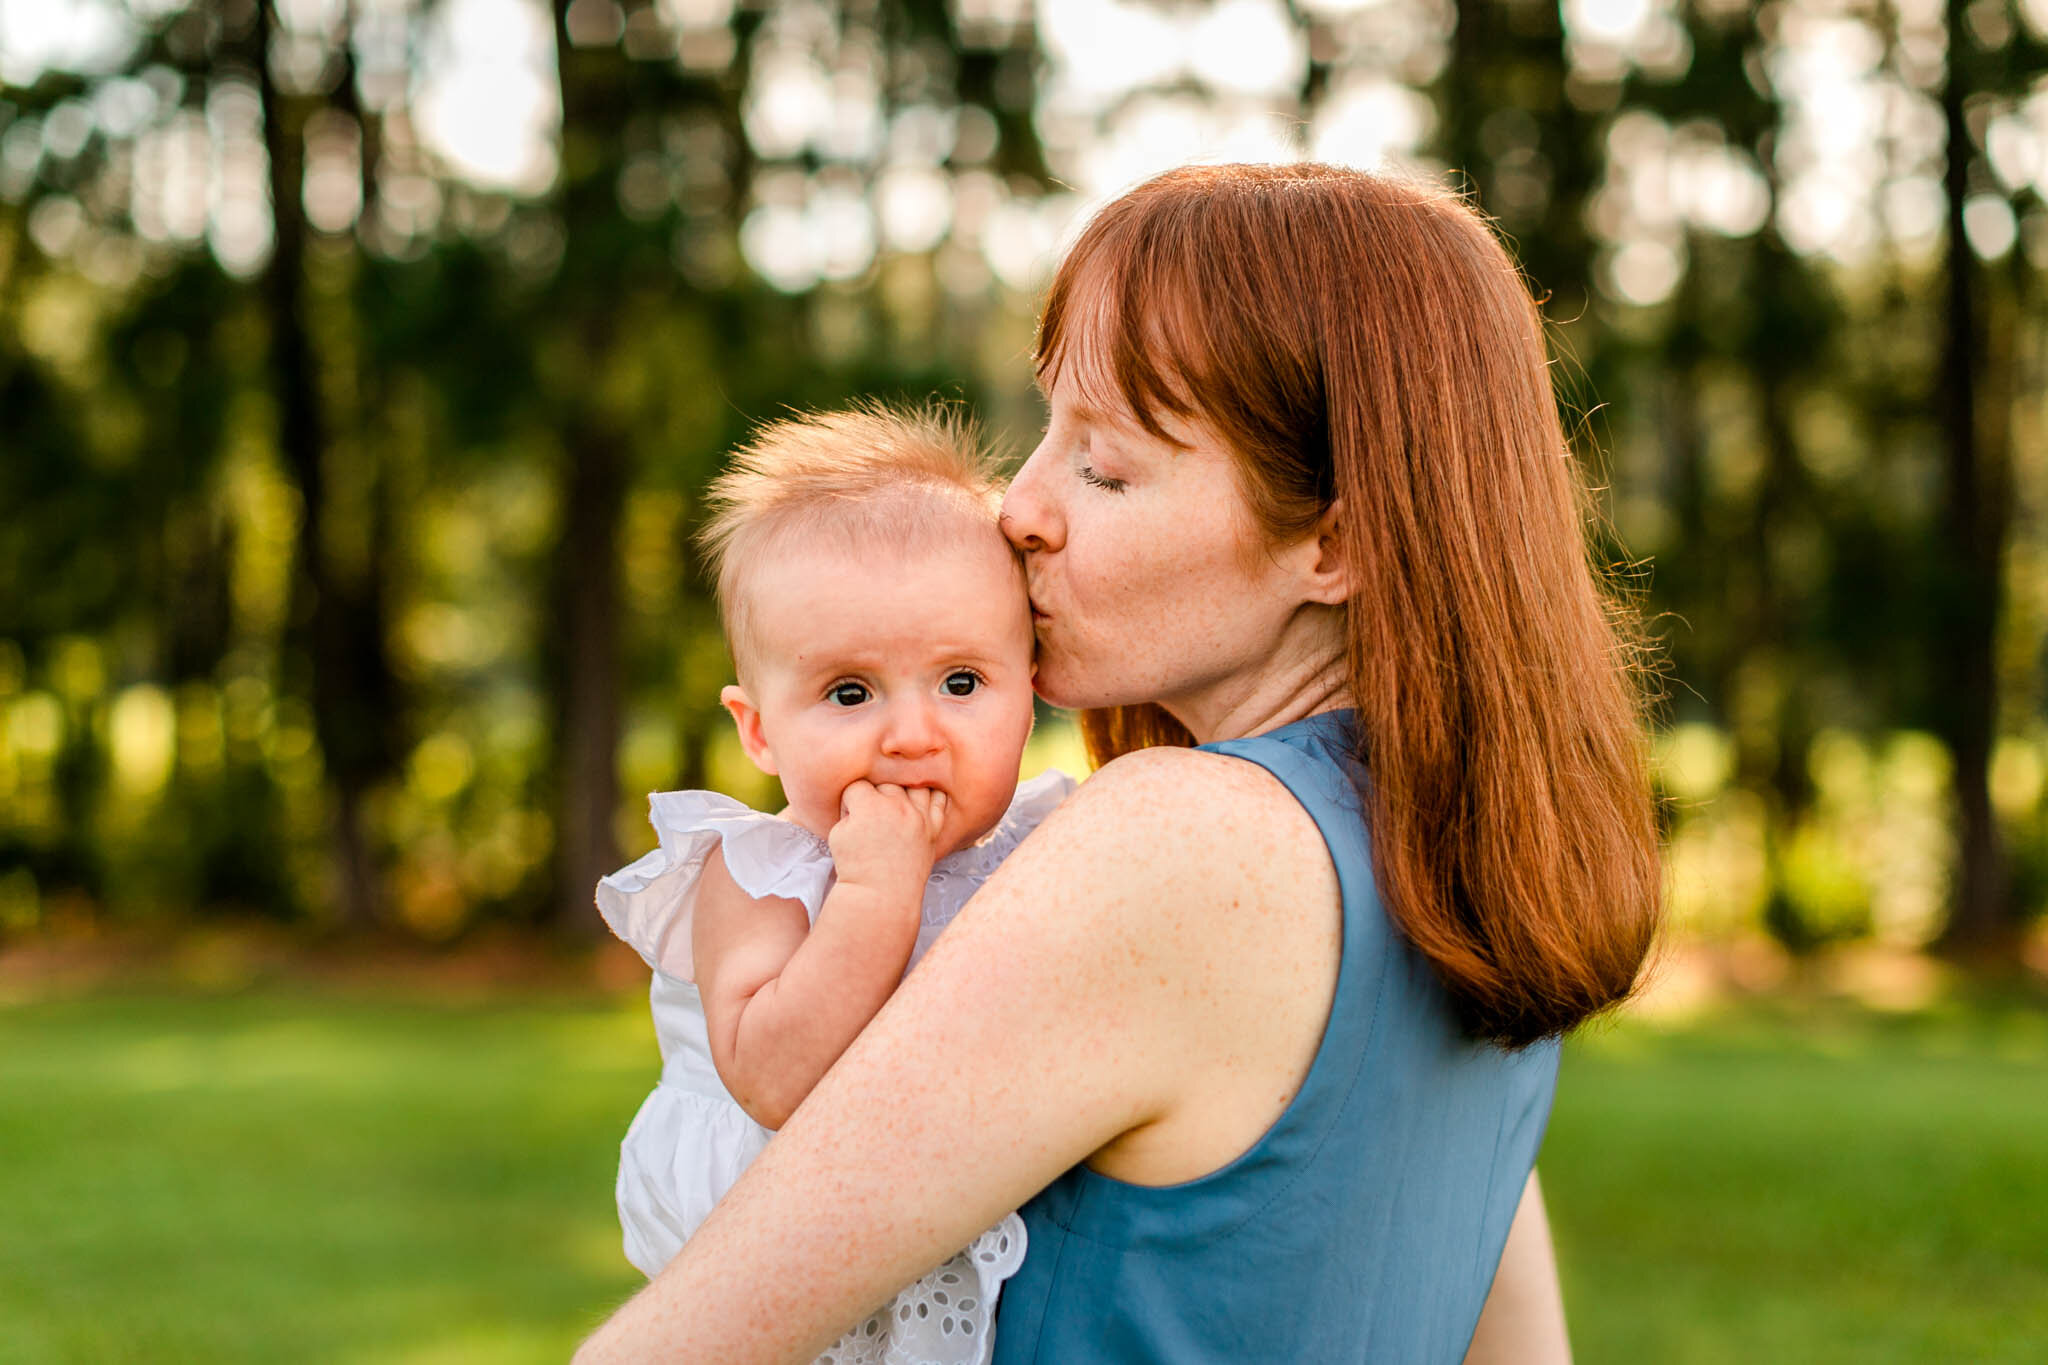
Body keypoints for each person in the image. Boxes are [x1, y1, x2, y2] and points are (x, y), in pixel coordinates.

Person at [577, 162, 1662, 1364]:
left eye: (1103, 466)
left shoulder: (1183, 840)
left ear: (1333, 540)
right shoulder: (1465, 866)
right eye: (1046, 431)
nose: (1021, 506)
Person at [594, 405, 1073, 1365]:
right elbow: (773, 1077)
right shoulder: (764, 872)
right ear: (760, 728)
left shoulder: (1047, 843)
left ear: (1033, 683)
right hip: (778, 1270)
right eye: (850, 692)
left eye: (962, 682)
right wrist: (875, 894)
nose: (909, 733)